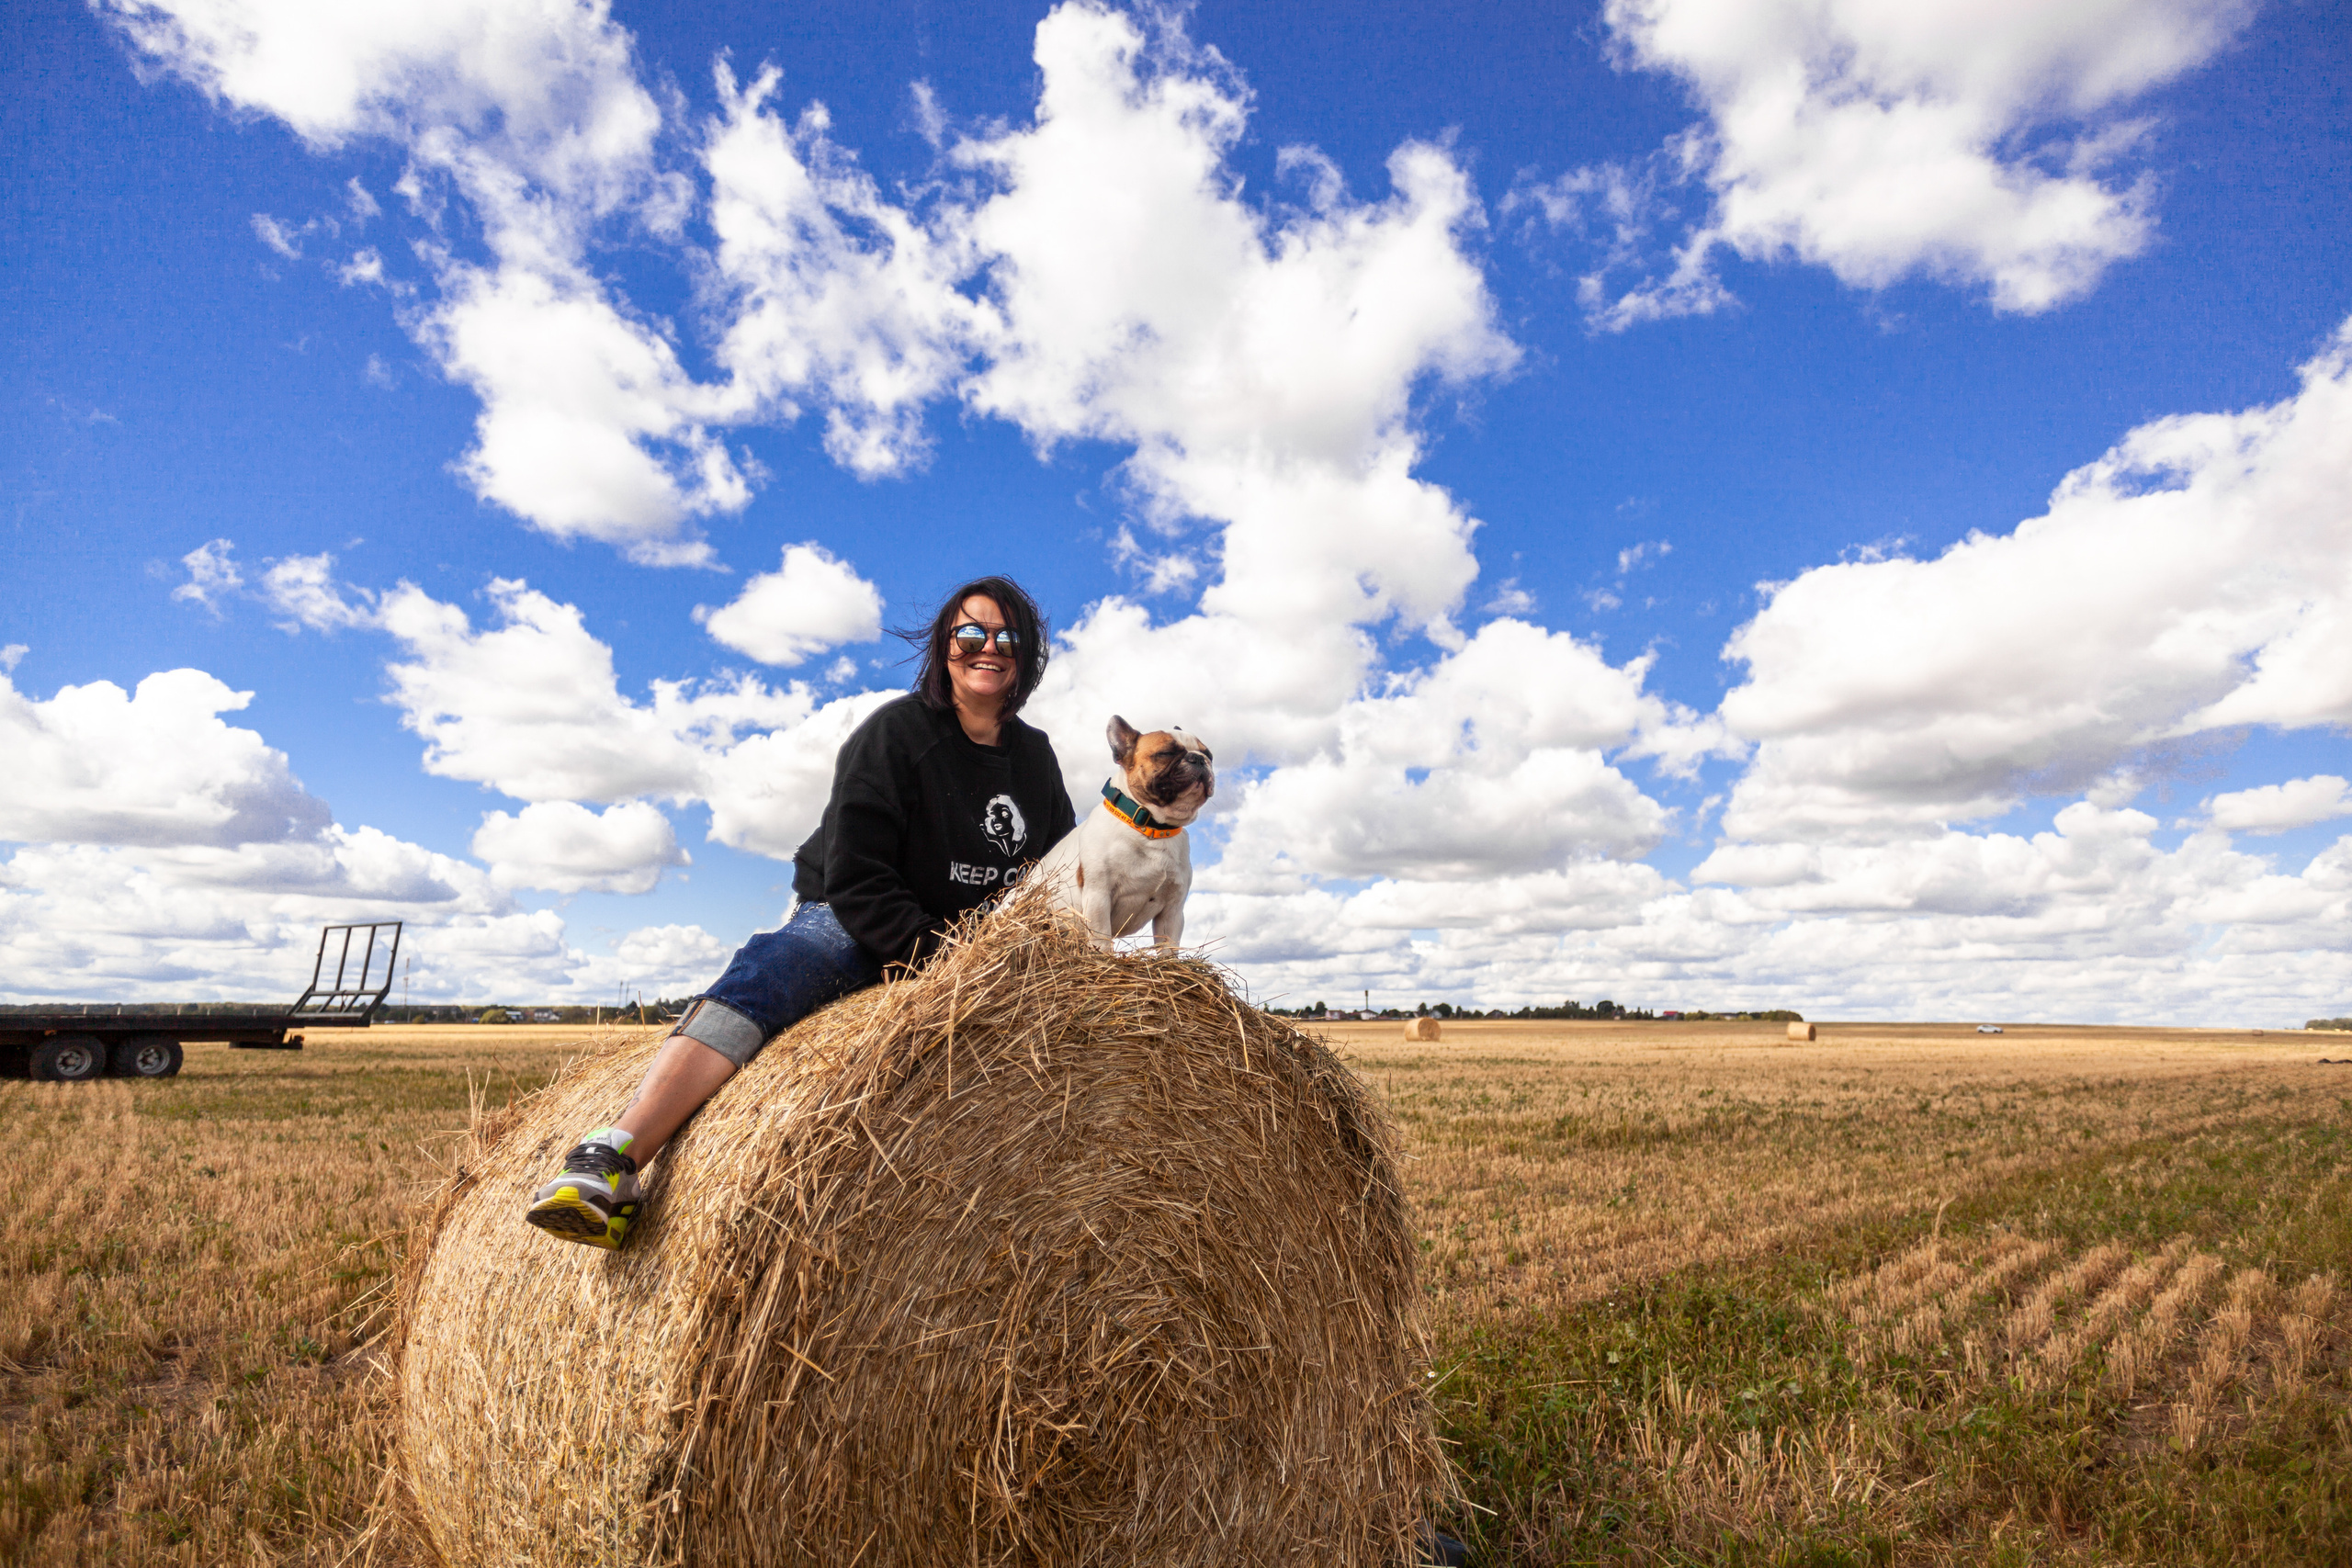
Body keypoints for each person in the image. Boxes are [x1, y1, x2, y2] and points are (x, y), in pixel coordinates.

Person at [525, 576, 1078, 1248]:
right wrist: (936, 956)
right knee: (785, 963)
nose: (989, 647)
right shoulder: (899, 734)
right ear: (943, 647)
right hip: (864, 913)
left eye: (1008, 637)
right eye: (971, 633)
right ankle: (613, 1155)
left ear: (1027, 657)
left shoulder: (1036, 759)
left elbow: (1056, 879)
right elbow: (857, 874)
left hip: (973, 947)